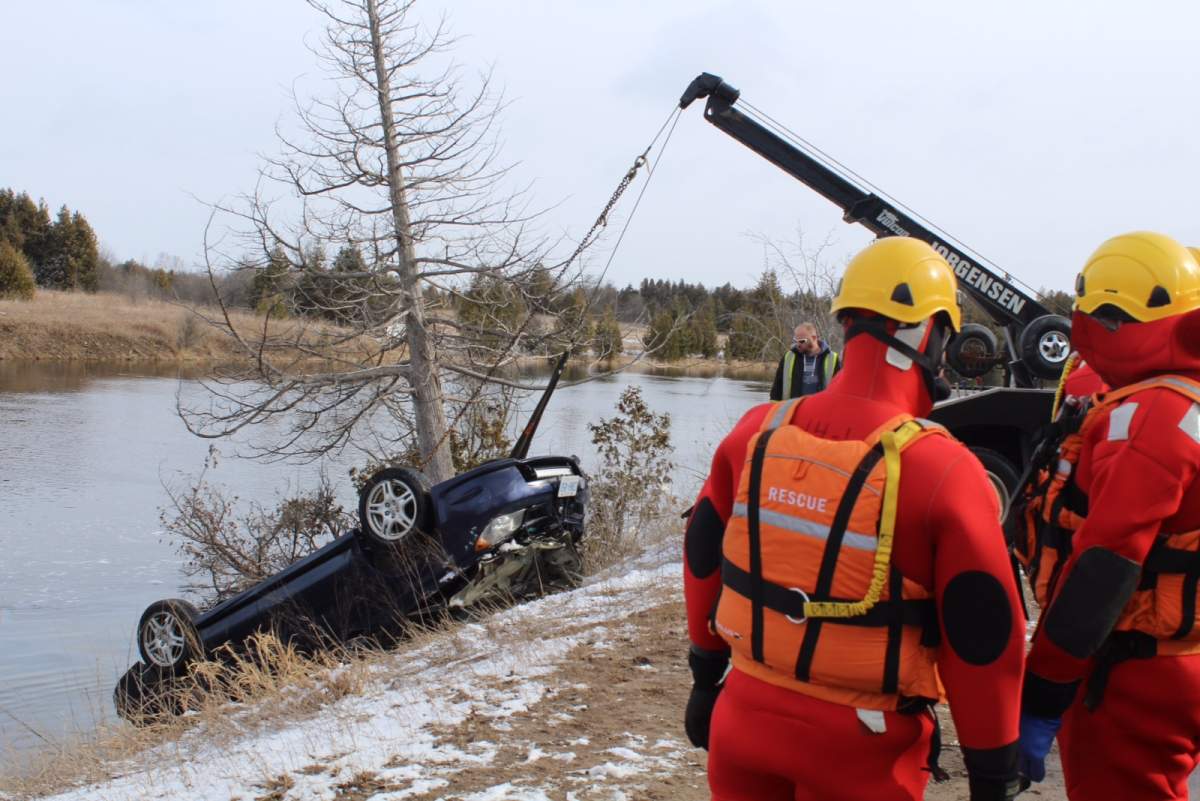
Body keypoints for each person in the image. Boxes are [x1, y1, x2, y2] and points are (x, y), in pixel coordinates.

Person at [683, 236, 1025, 801]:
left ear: (845, 325)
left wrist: (704, 674)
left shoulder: (756, 431)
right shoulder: (940, 470)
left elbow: (701, 551)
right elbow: (985, 632)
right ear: (927, 334)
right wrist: (994, 767)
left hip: (743, 720)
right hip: (865, 752)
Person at [1018, 231, 1200, 800]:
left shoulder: (1152, 414)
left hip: (1134, 673)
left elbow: (1104, 568)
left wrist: (1045, 689)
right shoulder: (1178, 398)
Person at [769, 322, 840, 400]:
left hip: (822, 410)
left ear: (814, 338)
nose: (798, 344)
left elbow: (840, 390)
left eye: (802, 341)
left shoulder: (833, 359)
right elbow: (777, 389)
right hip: (793, 409)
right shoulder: (788, 357)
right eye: (796, 340)